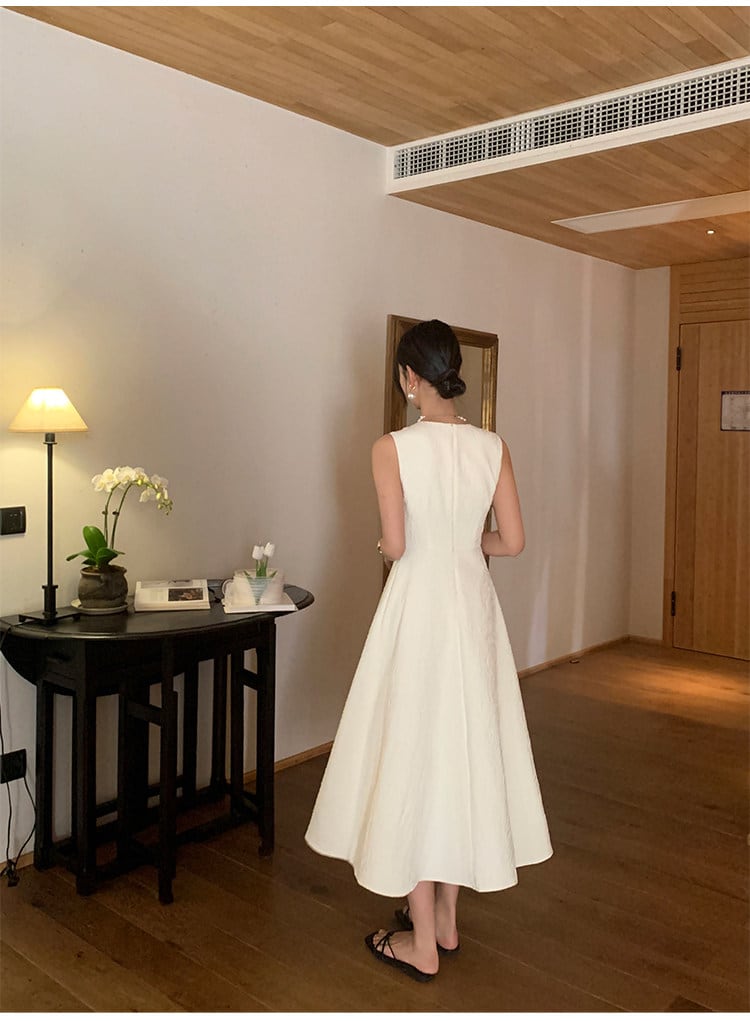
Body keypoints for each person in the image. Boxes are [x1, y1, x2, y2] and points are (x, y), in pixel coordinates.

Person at [305, 319, 552, 982]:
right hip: (471, 610)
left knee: (413, 755)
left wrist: (398, 544)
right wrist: (468, 544)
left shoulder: (392, 448)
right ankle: (444, 918)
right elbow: (513, 541)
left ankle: (420, 944)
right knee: (461, 752)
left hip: (417, 610)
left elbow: (396, 545)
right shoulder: (492, 446)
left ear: (409, 377)